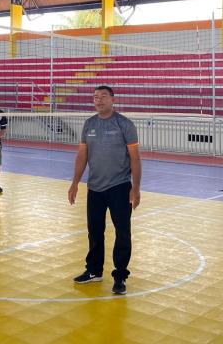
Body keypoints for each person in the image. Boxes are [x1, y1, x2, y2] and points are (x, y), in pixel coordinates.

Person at [68, 86, 141, 295]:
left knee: (122, 232)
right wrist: (75, 182)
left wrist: (136, 188)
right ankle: (94, 270)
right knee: (94, 231)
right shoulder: (89, 124)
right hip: (95, 188)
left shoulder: (124, 124)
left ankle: (120, 276)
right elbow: (82, 155)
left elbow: (135, 158)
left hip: (120, 187)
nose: (98, 100)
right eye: (95, 97)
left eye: (103, 96)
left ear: (113, 100)